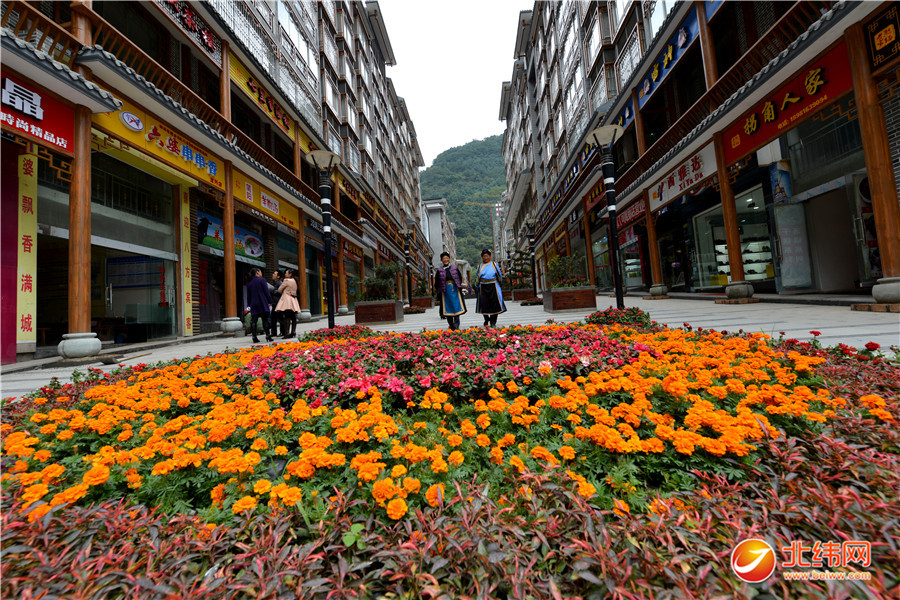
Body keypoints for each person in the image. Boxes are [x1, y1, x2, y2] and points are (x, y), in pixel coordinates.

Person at [433, 252, 466, 330]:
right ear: (442, 260)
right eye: (444, 258)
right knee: (447, 307)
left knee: (456, 306)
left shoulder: (454, 268)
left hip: (455, 289)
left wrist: (458, 286)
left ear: (449, 259)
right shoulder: (439, 270)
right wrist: (439, 291)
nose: (446, 260)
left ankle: (456, 324)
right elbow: (437, 282)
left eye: (447, 258)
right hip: (445, 291)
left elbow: (459, 277)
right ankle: (451, 325)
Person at [474, 248, 507, 328]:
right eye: (484, 256)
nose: (486, 258)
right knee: (484, 304)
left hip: (494, 286)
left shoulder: (494, 265)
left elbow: (499, 275)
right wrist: (477, 286)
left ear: (490, 256)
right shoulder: (480, 266)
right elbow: (477, 278)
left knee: (494, 304)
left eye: (487, 256)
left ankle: (493, 322)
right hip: (483, 286)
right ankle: (486, 319)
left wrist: (500, 284)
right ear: (482, 257)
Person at [245, 268, 273, 343]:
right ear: (257, 272)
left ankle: (254, 336)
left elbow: (248, 295)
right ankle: (268, 335)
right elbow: (266, 292)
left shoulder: (249, 282)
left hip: (253, 303)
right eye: (260, 271)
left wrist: (249, 304)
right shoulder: (262, 280)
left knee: (254, 320)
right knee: (265, 319)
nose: (261, 273)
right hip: (262, 302)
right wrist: (270, 301)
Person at [275, 268, 300, 339]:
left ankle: (286, 333)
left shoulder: (286, 280)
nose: (285, 274)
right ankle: (293, 331)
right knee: (293, 317)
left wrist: (283, 292)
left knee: (287, 317)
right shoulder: (295, 280)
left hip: (287, 300)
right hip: (293, 300)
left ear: (290, 274)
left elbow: (279, 289)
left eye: (286, 273)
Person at [270, 269, 285, 337]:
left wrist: (272, 290)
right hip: (275, 303)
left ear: (278, 276)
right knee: (273, 318)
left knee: (280, 318)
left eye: (274, 274)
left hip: (278, 303)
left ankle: (283, 332)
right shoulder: (275, 283)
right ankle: (274, 333)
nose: (273, 275)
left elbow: (280, 292)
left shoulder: (279, 283)